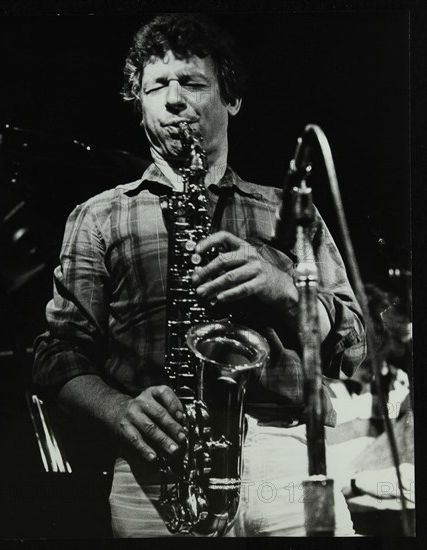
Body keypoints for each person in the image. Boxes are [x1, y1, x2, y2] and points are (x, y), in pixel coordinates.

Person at [33, 13, 366, 537]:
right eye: (155, 87)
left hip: (287, 453)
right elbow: (56, 354)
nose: (172, 100)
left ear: (231, 98)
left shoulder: (287, 210)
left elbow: (352, 346)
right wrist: (118, 410)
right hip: (159, 459)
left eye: (191, 82)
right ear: (140, 108)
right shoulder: (97, 217)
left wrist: (284, 289)